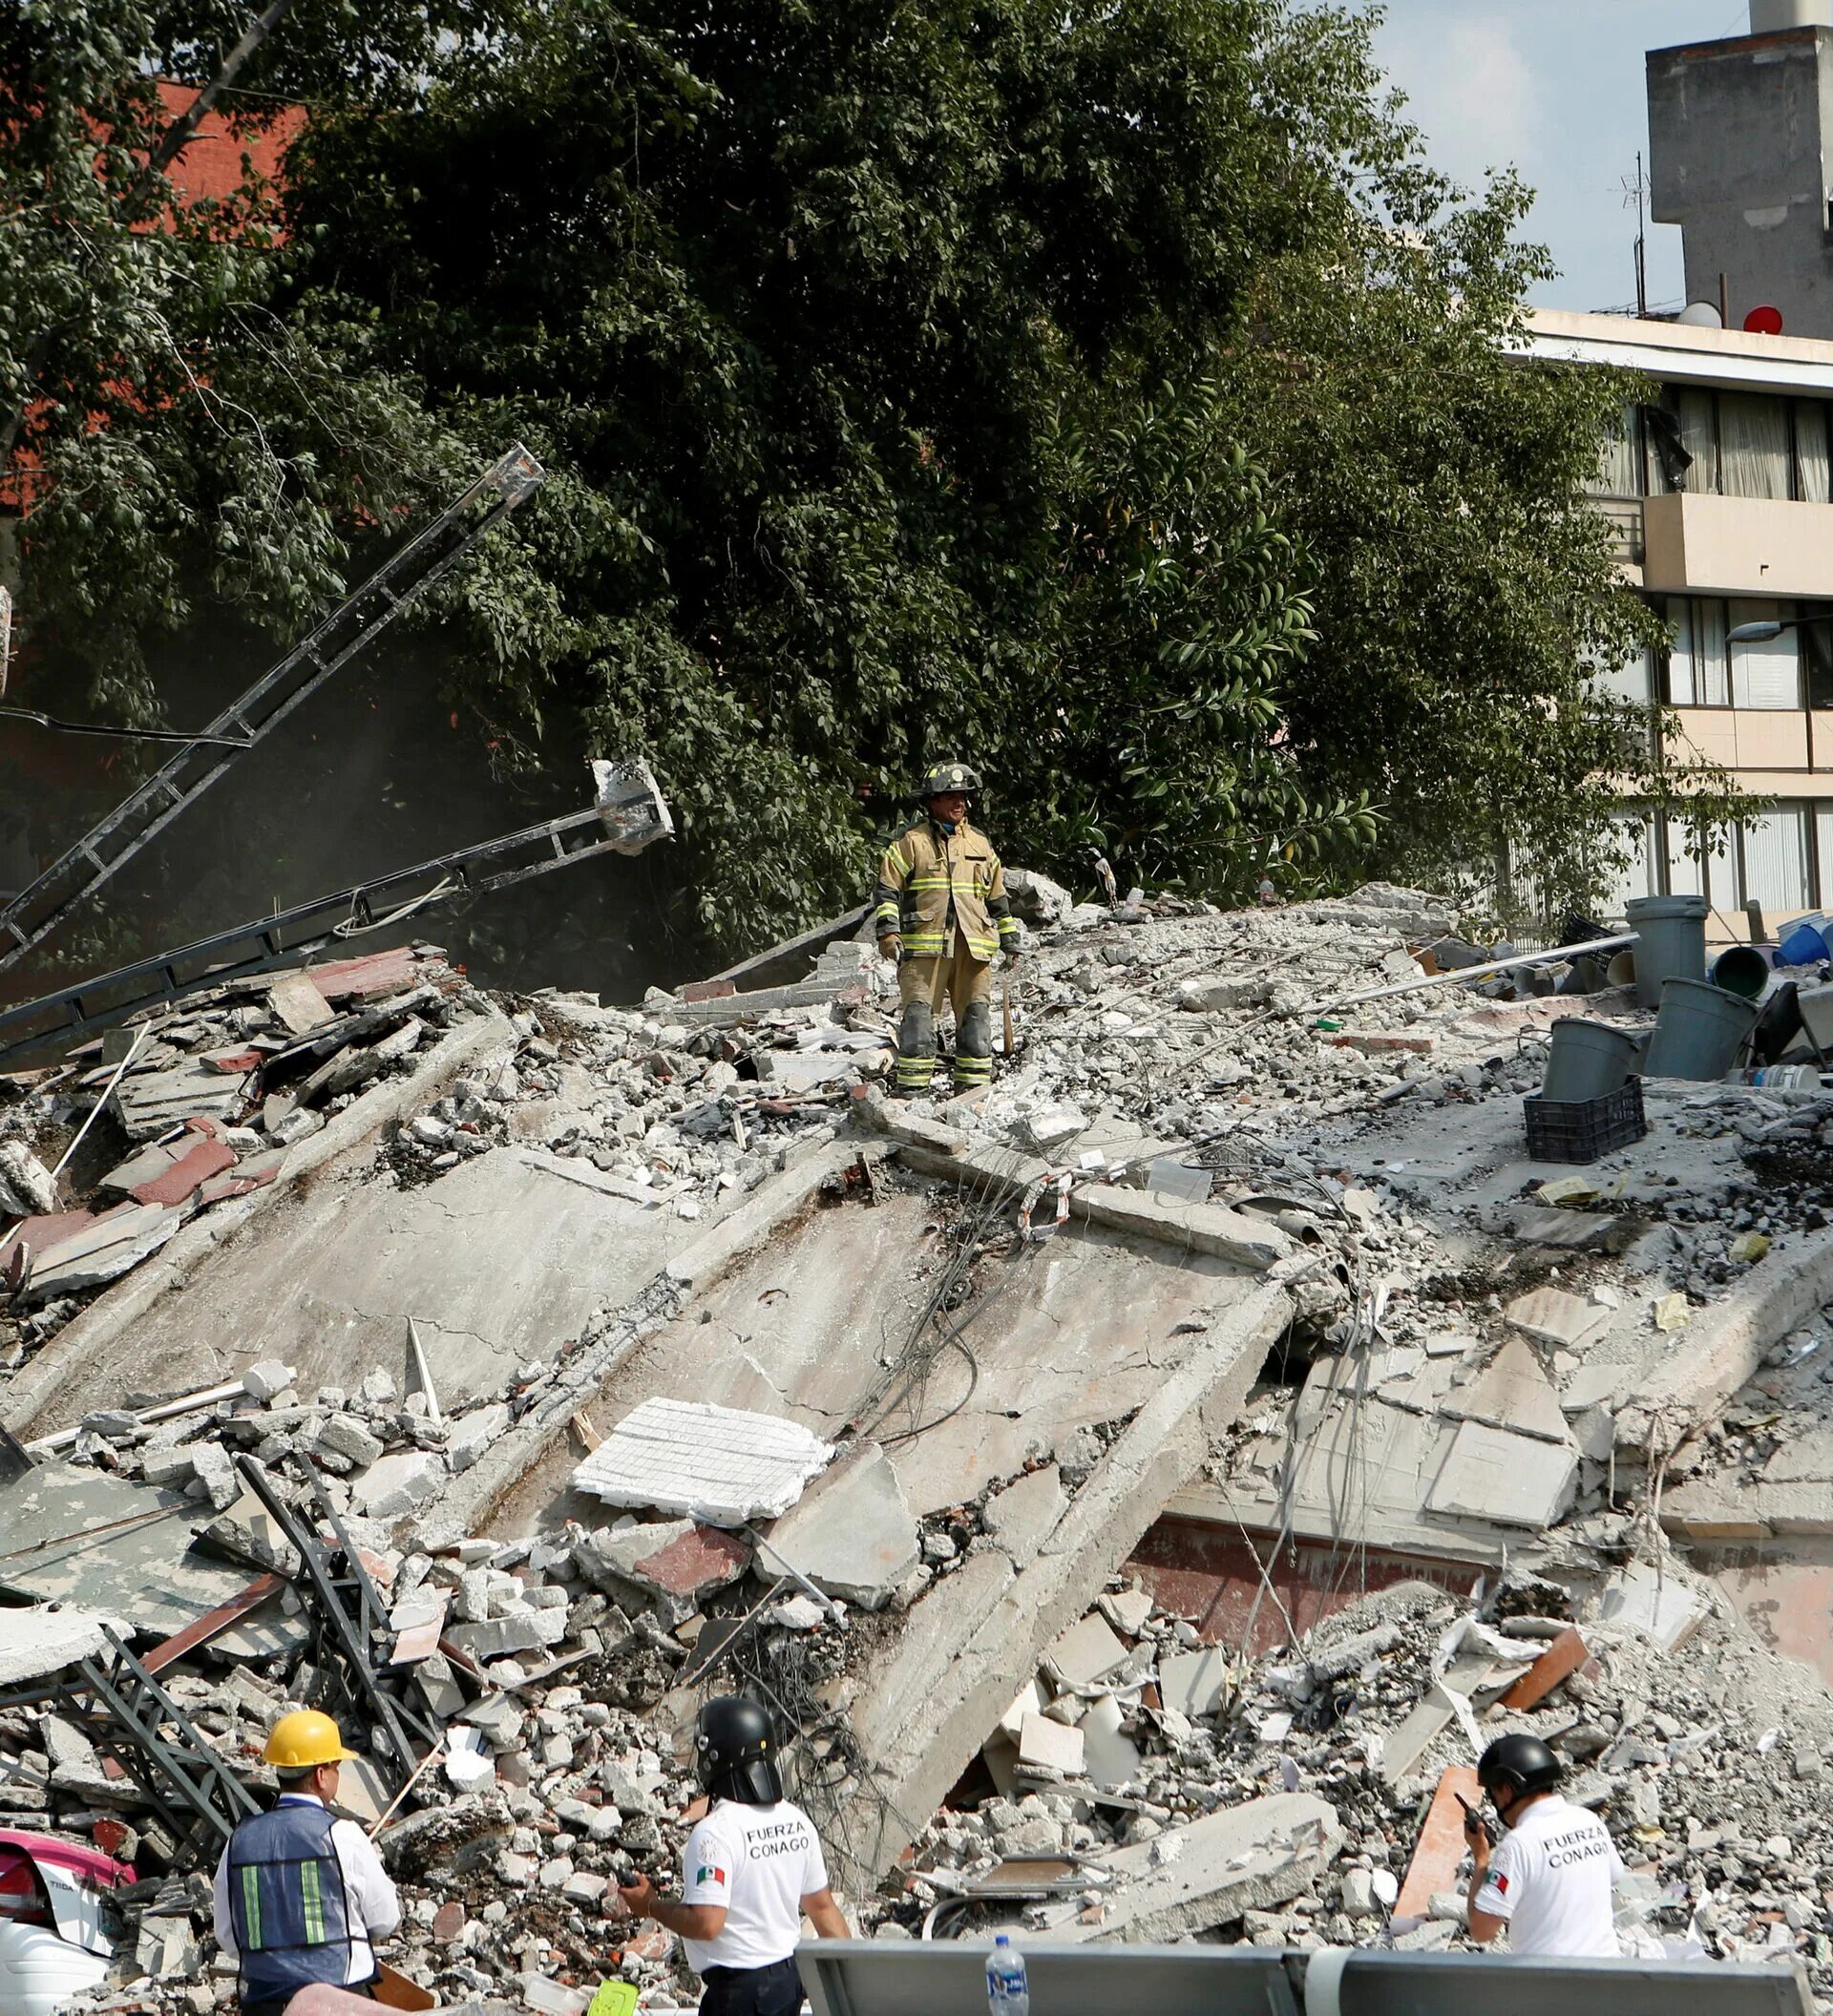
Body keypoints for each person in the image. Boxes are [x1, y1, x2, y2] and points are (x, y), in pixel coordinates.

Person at [617, 1695, 849, 2016]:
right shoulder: (796, 1821)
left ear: (714, 1757)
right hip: (789, 1982)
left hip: (741, 1993)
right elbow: (823, 1909)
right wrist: (852, 1990)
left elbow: (707, 1923)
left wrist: (652, 1905)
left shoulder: (715, 1834)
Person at [212, 1711, 402, 2016]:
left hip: (264, 2005)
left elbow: (228, 1936)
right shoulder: (343, 1835)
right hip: (339, 2003)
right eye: (336, 1767)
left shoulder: (239, 1841)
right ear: (320, 1775)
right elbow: (385, 1918)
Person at [870, 761, 1021, 1098]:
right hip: (924, 950)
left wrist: (1010, 939)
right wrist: (887, 932)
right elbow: (886, 890)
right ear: (931, 801)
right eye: (950, 795)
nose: (959, 803)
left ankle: (974, 1094)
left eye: (964, 796)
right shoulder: (911, 843)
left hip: (974, 946)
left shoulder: (980, 845)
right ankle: (912, 1097)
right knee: (919, 1022)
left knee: (976, 1021)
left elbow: (997, 897)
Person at [1464, 1732, 1624, 1958]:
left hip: (1551, 1985)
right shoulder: (1588, 1820)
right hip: (1609, 1975)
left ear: (1507, 1791)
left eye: (1493, 1793)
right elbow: (1615, 1875)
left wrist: (1481, 1858)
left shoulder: (1518, 1844)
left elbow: (1482, 1931)